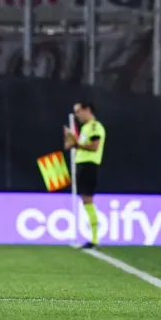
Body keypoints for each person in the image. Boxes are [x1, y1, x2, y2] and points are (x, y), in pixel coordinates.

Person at [64, 101, 106, 249]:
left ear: (87, 109)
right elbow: (70, 146)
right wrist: (70, 139)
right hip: (81, 165)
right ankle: (93, 237)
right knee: (85, 200)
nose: (77, 115)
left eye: (78, 111)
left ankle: (94, 238)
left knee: (88, 200)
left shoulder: (95, 126)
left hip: (89, 165)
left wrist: (75, 143)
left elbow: (94, 147)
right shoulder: (84, 129)